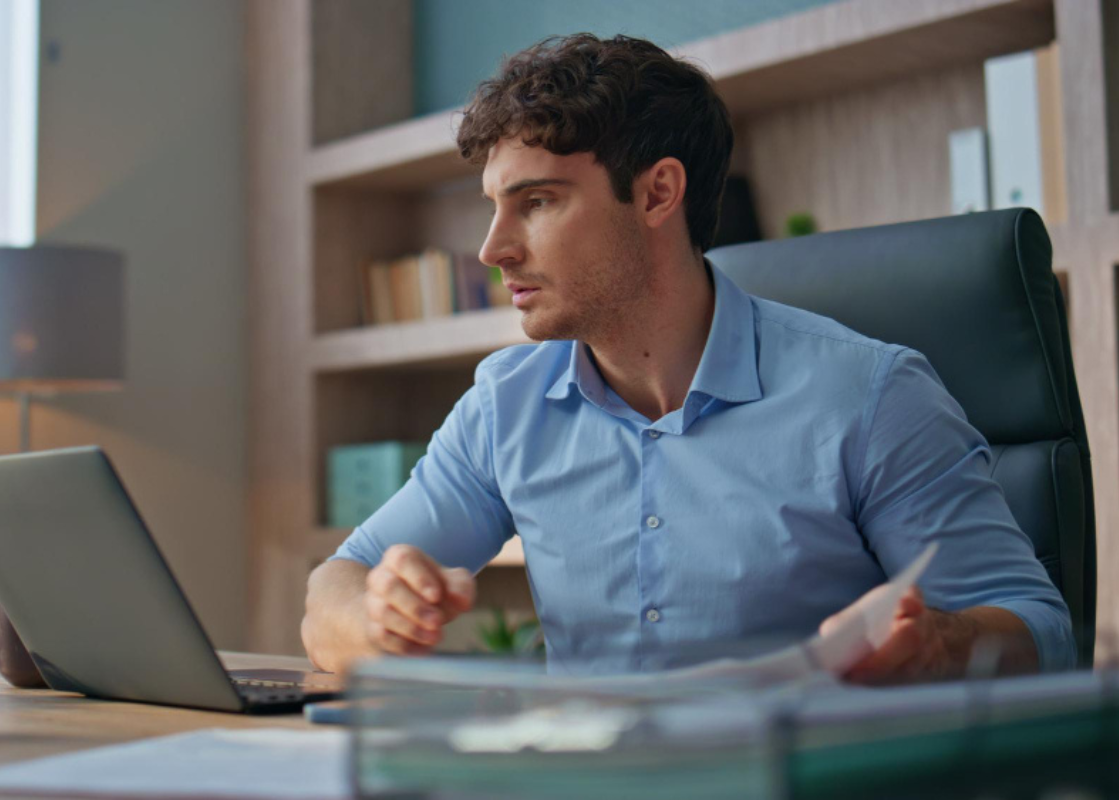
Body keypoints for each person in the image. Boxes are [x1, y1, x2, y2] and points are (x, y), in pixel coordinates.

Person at [301, 33, 1074, 682]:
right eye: (494, 207)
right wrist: (376, 614)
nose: (493, 249)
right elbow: (330, 592)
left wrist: (939, 645)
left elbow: (1042, 632)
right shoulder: (506, 406)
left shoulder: (871, 396)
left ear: (657, 194)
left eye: (536, 203)